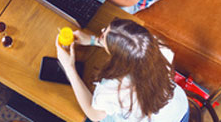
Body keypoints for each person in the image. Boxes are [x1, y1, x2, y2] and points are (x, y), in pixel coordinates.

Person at [55, 19, 189, 122]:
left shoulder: (114, 88)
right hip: (180, 110)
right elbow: (134, 50)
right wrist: (95, 40)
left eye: (104, 33)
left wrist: (69, 67)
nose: (102, 29)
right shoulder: (159, 48)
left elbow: (94, 114)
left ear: (119, 59)